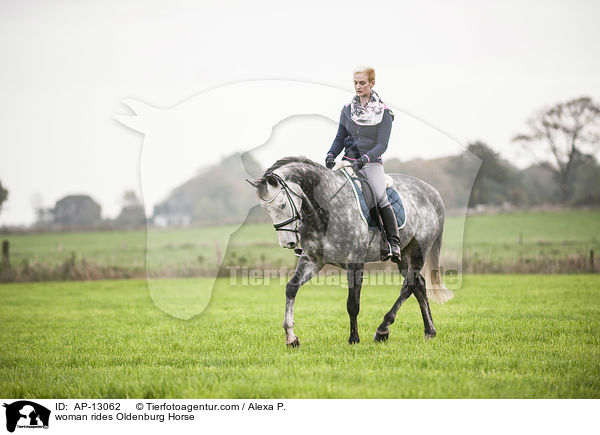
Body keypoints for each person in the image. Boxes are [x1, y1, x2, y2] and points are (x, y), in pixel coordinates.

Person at [325, 66, 401, 262]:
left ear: (372, 83)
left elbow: (382, 144)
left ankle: (393, 243)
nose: (358, 87)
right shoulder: (347, 110)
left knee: (379, 196)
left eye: (362, 83)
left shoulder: (384, 113)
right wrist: (331, 153)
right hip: (347, 163)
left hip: (371, 163)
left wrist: (364, 160)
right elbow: (340, 137)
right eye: (355, 83)